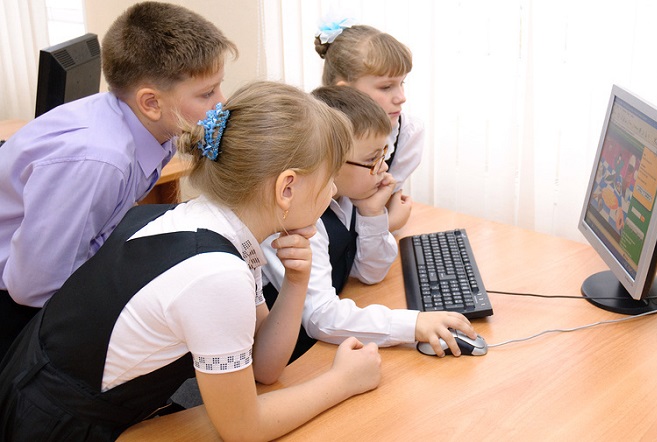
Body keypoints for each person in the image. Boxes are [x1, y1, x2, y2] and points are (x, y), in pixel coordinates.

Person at [0, 81, 382, 441]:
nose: (333, 190)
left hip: (60, 397)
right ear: (287, 188)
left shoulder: (217, 225)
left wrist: (296, 283)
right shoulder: (215, 273)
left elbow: (264, 367)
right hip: (54, 426)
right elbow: (243, 429)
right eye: (328, 179)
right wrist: (342, 382)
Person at [0, 1, 237, 359]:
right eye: (207, 93)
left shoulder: (156, 129)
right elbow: (32, 287)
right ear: (151, 103)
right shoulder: (100, 162)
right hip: (16, 307)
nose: (222, 102)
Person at [262, 85, 475, 362]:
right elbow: (320, 316)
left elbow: (370, 272)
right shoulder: (296, 220)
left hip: (321, 343)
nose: (383, 168)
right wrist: (413, 325)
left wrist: (372, 213)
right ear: (330, 163)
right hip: (291, 357)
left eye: (383, 155)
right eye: (372, 159)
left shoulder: (349, 198)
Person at [314, 20, 422, 231]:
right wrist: (389, 223)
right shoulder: (313, 136)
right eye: (386, 87)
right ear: (346, 91)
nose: (401, 97)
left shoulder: (407, 133)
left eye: (402, 83)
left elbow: (380, 205)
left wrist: (382, 222)